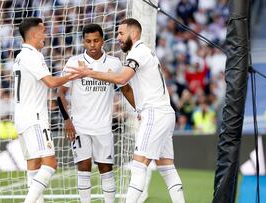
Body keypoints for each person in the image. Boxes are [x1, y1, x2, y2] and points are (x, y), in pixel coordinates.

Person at [71, 18, 185, 203]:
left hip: (154, 113)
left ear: (134, 34)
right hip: (164, 113)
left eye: (121, 33)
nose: (118, 38)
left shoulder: (138, 52)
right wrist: (138, 109)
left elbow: (122, 79)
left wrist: (88, 72)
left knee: (139, 166)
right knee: (167, 168)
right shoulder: (144, 52)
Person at [57, 23, 135, 203]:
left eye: (96, 40)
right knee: (83, 167)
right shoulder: (74, 63)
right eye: (88, 41)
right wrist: (66, 120)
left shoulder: (114, 64)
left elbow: (126, 90)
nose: (92, 45)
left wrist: (139, 109)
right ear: (83, 42)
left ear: (103, 41)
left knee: (106, 168)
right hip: (79, 126)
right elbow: (60, 92)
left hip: (103, 127)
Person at [13, 18, 78, 203]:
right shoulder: (33, 55)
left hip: (21, 117)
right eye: (43, 32)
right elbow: (50, 83)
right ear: (34, 34)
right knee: (50, 163)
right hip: (34, 118)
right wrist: (75, 74)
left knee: (33, 165)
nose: (46, 36)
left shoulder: (19, 56)